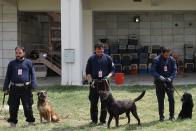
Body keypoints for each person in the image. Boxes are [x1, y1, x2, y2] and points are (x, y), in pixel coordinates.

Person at [3, 47, 37, 127]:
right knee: (13, 106)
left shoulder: (29, 63)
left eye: (20, 53)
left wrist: (34, 84)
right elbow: (8, 76)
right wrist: (5, 88)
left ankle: (30, 122)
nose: (18, 54)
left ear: (23, 53)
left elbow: (33, 74)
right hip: (14, 88)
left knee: (28, 106)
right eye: (16, 53)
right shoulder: (11, 63)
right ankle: (13, 123)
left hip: (26, 88)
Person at [86, 43, 115, 125]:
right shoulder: (91, 59)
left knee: (104, 103)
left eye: (102, 51)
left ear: (103, 50)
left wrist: (108, 76)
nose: (100, 52)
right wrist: (90, 82)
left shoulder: (108, 58)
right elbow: (88, 72)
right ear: (95, 50)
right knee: (93, 103)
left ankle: (103, 121)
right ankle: (94, 121)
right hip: (94, 84)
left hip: (104, 83)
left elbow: (113, 70)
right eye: (98, 51)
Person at [150, 47, 177, 122]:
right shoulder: (156, 60)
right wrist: (159, 76)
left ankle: (172, 116)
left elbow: (175, 70)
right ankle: (161, 116)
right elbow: (152, 71)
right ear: (162, 53)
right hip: (159, 83)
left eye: (168, 55)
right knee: (160, 100)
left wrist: (171, 78)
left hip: (169, 83)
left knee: (171, 99)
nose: (167, 56)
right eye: (165, 55)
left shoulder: (172, 60)